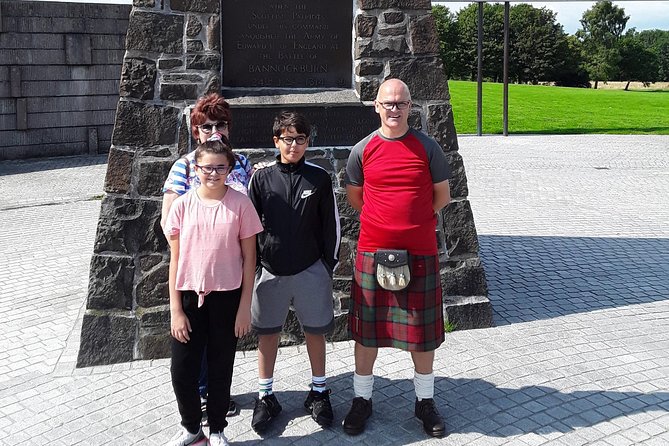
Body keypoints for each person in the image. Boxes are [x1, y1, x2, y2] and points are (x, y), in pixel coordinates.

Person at [342, 79, 452, 438]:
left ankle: (424, 401)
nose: (394, 109)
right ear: (376, 106)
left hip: (420, 251)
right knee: (367, 332)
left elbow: (442, 196)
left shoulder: (427, 147)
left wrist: (412, 224)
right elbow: (356, 198)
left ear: (410, 106)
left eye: (401, 103)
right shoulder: (362, 149)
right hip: (372, 252)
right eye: (388, 103)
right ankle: (362, 400)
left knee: (421, 335)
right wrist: (385, 225)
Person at [164, 140, 263, 446]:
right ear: (196, 169)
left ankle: (218, 429)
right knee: (182, 370)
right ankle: (193, 429)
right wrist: (176, 310)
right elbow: (175, 260)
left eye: (221, 167)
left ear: (229, 170)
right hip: (190, 298)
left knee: (221, 368)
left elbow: (250, 259)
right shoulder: (182, 206)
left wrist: (245, 306)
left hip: (227, 299)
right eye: (207, 167)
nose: (213, 173)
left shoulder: (241, 204)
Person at [247, 111, 341, 433]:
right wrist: (256, 266)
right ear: (276, 141)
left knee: (315, 331)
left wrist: (328, 265)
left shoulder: (319, 178)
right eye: (288, 139)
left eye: (300, 139)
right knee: (267, 332)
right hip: (270, 271)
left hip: (310, 269)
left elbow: (332, 226)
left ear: (307, 142)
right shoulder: (260, 178)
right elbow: (249, 225)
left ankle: (318, 391)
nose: (294, 145)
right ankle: (265, 395)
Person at [161, 93, 252, 422]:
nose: (215, 130)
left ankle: (217, 401)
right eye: (207, 125)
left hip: (230, 266)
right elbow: (168, 218)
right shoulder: (185, 165)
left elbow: (248, 207)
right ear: (196, 130)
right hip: (194, 269)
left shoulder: (241, 163)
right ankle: (200, 397)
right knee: (192, 341)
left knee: (221, 341)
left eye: (221, 124)